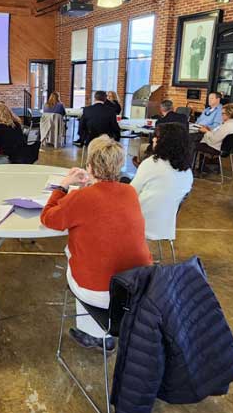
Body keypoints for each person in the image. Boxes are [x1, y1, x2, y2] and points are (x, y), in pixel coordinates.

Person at [41, 135, 152, 351]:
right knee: (97, 251)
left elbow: (48, 218)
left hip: (101, 292)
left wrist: (64, 184)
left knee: (74, 257)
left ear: (90, 166)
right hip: (138, 287)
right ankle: (102, 332)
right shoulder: (129, 192)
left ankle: (95, 335)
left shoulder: (82, 198)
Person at [131, 123, 193, 241]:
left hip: (140, 223)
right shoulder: (188, 173)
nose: (154, 139)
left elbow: (131, 192)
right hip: (165, 226)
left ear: (166, 143)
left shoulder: (151, 164)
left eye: (157, 137)